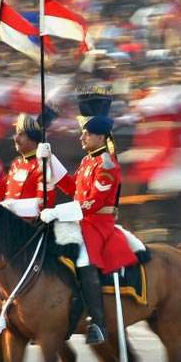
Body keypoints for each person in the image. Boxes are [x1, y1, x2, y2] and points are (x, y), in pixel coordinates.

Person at [38, 88, 138, 345]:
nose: (82, 137)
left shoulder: (106, 165)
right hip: (81, 220)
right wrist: (50, 160)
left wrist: (57, 211)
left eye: (87, 133)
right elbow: (72, 188)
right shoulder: (87, 162)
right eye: (83, 132)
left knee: (83, 258)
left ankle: (98, 323)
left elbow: (91, 204)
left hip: (98, 224)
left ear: (101, 136)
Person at [1, 106, 64, 220]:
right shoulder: (16, 164)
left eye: (21, 134)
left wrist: (14, 207)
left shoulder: (41, 167)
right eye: (16, 134)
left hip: (28, 228)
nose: (16, 138)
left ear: (33, 139)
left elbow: (44, 203)